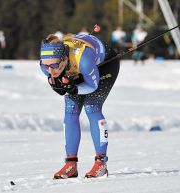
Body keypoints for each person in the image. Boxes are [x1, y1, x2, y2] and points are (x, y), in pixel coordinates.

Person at [39, 33, 120, 179]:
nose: (51, 70)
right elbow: (55, 77)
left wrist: (74, 89)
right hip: (76, 69)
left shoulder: (84, 60)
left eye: (55, 65)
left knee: (91, 107)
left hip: (104, 65)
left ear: (64, 59)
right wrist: (61, 87)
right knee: (70, 110)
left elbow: (92, 86)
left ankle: (101, 163)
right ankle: (70, 164)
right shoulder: (48, 65)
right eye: (47, 66)